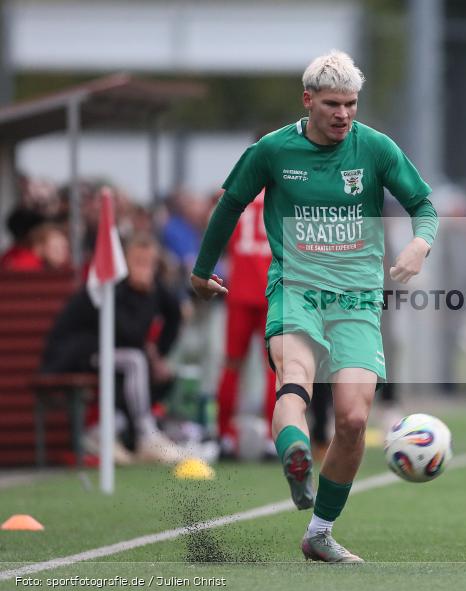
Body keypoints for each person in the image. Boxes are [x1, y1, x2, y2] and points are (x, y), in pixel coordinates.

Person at [190, 50, 438, 563]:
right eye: (332, 104)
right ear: (308, 100)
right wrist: (201, 270)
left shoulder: (375, 148)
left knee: (353, 419)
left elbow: (423, 205)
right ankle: (296, 456)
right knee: (295, 378)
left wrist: (420, 243)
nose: (343, 114)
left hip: (357, 300)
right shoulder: (272, 150)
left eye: (351, 104)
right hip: (296, 289)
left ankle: (319, 533)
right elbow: (230, 204)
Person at [41, 233, 187, 464]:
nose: (144, 268)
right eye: (138, 262)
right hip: (78, 354)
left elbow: (174, 315)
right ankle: (146, 435)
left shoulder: (154, 287)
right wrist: (145, 295)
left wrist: (159, 351)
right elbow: (129, 333)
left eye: (149, 263)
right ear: (125, 262)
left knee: (152, 371)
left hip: (114, 355)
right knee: (135, 361)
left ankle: (104, 432)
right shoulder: (112, 286)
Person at [214, 190, 277, 459]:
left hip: (239, 290)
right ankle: (273, 439)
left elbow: (216, 233)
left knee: (232, 365)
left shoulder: (235, 192)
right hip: (273, 291)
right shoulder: (284, 190)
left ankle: (225, 437)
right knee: (275, 367)